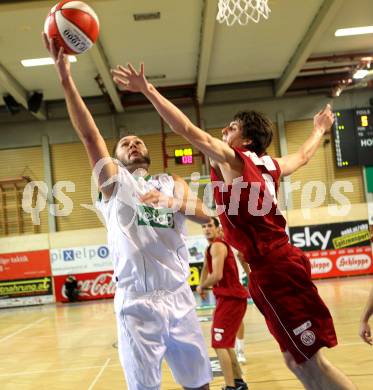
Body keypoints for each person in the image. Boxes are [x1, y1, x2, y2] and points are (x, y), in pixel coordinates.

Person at [112, 63, 357, 390]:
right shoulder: (271, 165)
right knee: (298, 361)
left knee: (312, 364)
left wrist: (147, 90)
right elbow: (303, 156)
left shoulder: (234, 159)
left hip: (275, 268)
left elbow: (186, 128)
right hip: (275, 267)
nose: (224, 131)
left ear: (246, 139)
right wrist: (319, 129)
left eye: (231, 128)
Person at [44, 37, 212, 390]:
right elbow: (91, 137)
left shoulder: (171, 181)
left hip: (179, 294)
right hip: (136, 302)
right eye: (125, 143)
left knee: (199, 384)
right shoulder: (115, 184)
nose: (132, 144)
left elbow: (205, 214)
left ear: (148, 151)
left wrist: (172, 203)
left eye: (137, 141)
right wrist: (65, 80)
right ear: (117, 157)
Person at [197, 217, 248, 390]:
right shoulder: (210, 248)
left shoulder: (218, 246)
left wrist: (201, 286)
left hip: (231, 298)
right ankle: (238, 382)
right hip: (229, 298)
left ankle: (230, 386)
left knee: (219, 344)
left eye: (210, 225)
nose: (206, 229)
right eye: (203, 226)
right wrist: (202, 285)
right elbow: (205, 267)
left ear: (218, 229)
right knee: (225, 343)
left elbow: (217, 275)